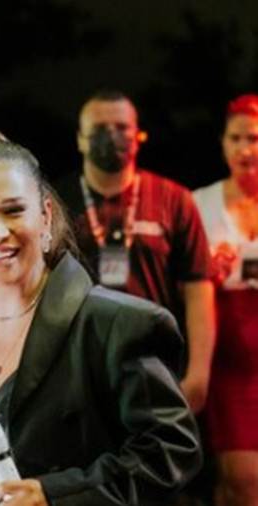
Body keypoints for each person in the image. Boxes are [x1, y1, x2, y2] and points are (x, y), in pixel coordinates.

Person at [0, 131, 202, 505]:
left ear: (45, 216)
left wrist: (54, 495)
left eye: (13, 210)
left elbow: (171, 453)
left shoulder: (117, 324)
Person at [53, 90, 216, 414]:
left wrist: (198, 373)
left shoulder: (174, 199)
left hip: (157, 362)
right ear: (80, 139)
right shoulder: (56, 202)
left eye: (121, 127)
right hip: (78, 367)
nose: (111, 136)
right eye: (99, 129)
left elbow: (198, 289)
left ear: (138, 135)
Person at [193, 94, 258, 506]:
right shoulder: (198, 204)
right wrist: (207, 274)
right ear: (222, 144)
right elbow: (178, 288)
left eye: (253, 138)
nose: (244, 149)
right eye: (235, 138)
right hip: (228, 365)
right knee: (243, 480)